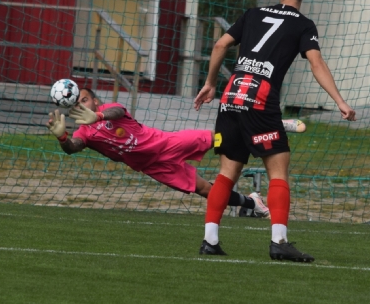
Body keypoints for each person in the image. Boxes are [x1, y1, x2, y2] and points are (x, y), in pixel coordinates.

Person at [193, 0, 356, 260]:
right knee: (278, 172)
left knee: (227, 172)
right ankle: (279, 241)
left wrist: (210, 83)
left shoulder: (252, 14)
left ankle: (210, 240)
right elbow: (316, 63)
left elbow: (220, 45)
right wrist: (340, 101)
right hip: (261, 97)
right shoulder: (304, 25)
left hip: (232, 94)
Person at [47, 87, 269, 215]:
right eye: (77, 103)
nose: (82, 105)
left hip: (164, 142)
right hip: (153, 166)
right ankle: (253, 203)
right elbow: (73, 148)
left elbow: (117, 112)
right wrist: (62, 137)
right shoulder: (84, 132)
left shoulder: (109, 109)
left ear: (95, 101)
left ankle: (259, 129)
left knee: (216, 137)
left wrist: (98, 116)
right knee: (205, 190)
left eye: (85, 100)